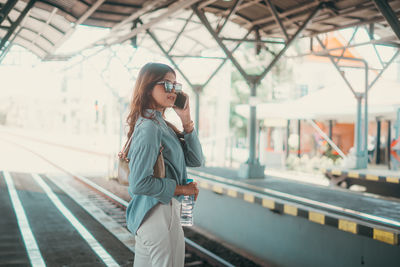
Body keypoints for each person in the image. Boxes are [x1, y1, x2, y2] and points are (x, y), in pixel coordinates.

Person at [125, 62, 204, 267]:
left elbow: (196, 160)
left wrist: (186, 121)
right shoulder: (151, 127)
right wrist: (182, 188)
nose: (173, 91)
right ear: (148, 88)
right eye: (166, 85)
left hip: (153, 215)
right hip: (160, 214)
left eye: (176, 86)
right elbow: (139, 183)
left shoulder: (161, 125)